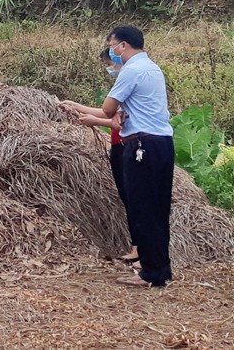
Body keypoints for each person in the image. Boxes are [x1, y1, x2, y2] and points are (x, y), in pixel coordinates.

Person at [66, 26, 173, 287]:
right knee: (157, 209)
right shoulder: (152, 68)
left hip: (141, 147)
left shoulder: (131, 71)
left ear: (123, 45)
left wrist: (107, 115)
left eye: (112, 45)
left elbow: (107, 108)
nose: (112, 51)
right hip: (162, 144)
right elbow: (118, 112)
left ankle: (151, 273)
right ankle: (160, 269)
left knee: (142, 208)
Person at [59, 47, 138, 265]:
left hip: (127, 143)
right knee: (127, 197)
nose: (109, 70)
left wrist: (95, 121)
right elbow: (110, 114)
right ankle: (136, 247)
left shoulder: (130, 81)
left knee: (134, 197)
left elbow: (118, 119)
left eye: (109, 65)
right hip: (118, 143)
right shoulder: (127, 80)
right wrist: (75, 106)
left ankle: (141, 250)